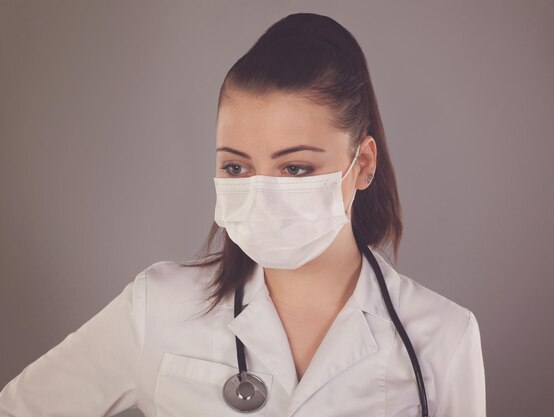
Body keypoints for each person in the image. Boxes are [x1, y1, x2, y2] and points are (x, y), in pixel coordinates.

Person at [0, 12, 486, 417]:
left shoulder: (442, 339)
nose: (262, 192)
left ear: (362, 165)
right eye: (236, 166)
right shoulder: (158, 310)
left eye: (295, 168)